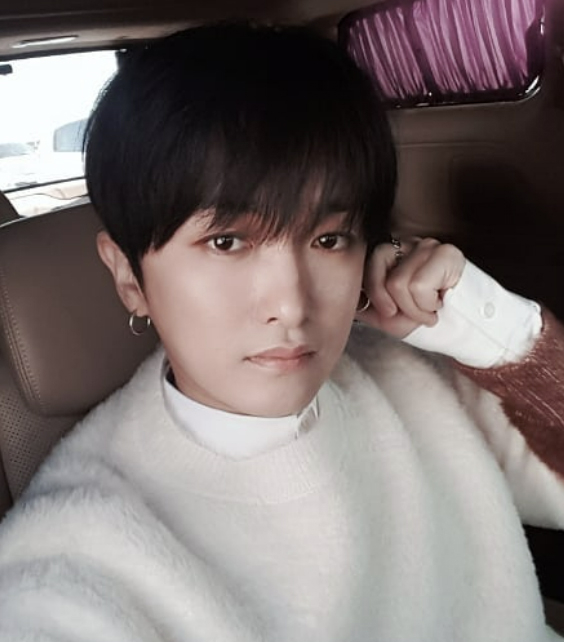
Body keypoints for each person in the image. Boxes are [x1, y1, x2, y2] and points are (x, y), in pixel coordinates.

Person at [1, 23, 564, 642]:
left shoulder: (412, 377)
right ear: (128, 276)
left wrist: (494, 328)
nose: (292, 306)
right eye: (227, 242)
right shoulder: (75, 561)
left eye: (329, 239)